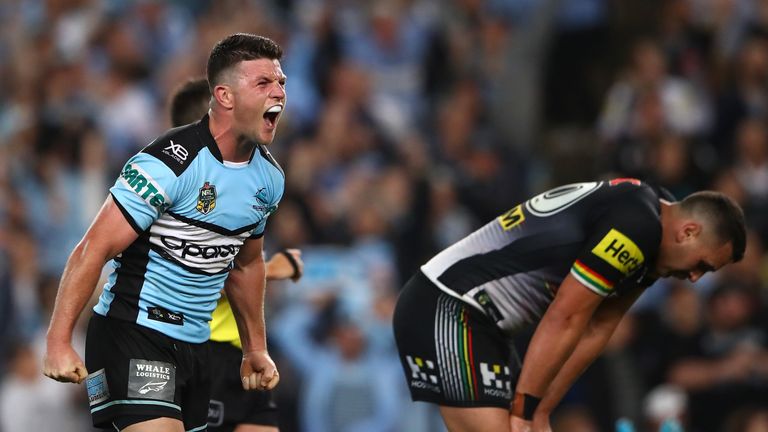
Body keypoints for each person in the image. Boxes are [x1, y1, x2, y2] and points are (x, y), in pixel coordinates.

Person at [42, 33, 288, 432]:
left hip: (196, 347)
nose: (278, 92)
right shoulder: (167, 164)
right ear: (224, 96)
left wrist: (254, 348)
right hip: (133, 331)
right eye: (264, 83)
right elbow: (93, 248)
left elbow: (245, 266)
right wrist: (58, 340)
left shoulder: (269, 178)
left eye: (281, 83)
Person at [392, 179, 746, 432]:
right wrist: (523, 411)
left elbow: (598, 328)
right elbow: (566, 316)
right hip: (447, 306)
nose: (697, 277)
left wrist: (541, 410)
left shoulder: (655, 231)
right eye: (702, 264)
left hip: (485, 324)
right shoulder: (637, 228)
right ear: (688, 232)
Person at [169, 77, 304, 432]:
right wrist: (272, 269)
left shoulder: (242, 186)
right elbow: (195, 273)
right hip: (196, 347)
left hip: (238, 351)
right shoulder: (180, 194)